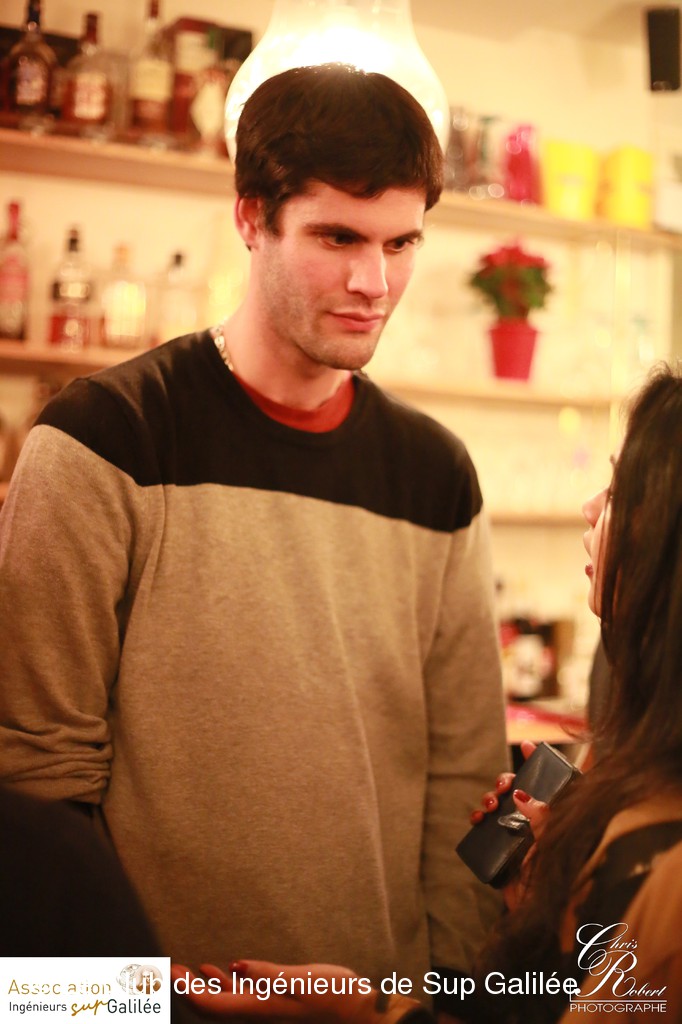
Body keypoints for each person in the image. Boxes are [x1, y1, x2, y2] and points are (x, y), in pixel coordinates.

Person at [0, 64, 507, 1012]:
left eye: (402, 242)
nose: (374, 282)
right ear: (249, 218)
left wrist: (417, 1004)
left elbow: (466, 779)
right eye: (337, 237)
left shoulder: (437, 473)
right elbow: (33, 796)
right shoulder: (99, 440)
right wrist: (139, 1004)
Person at [171, 364, 682, 1023]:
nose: (589, 506)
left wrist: (364, 1010)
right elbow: (553, 999)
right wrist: (545, 905)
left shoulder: (661, 869)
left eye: (619, 489)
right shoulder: (113, 424)